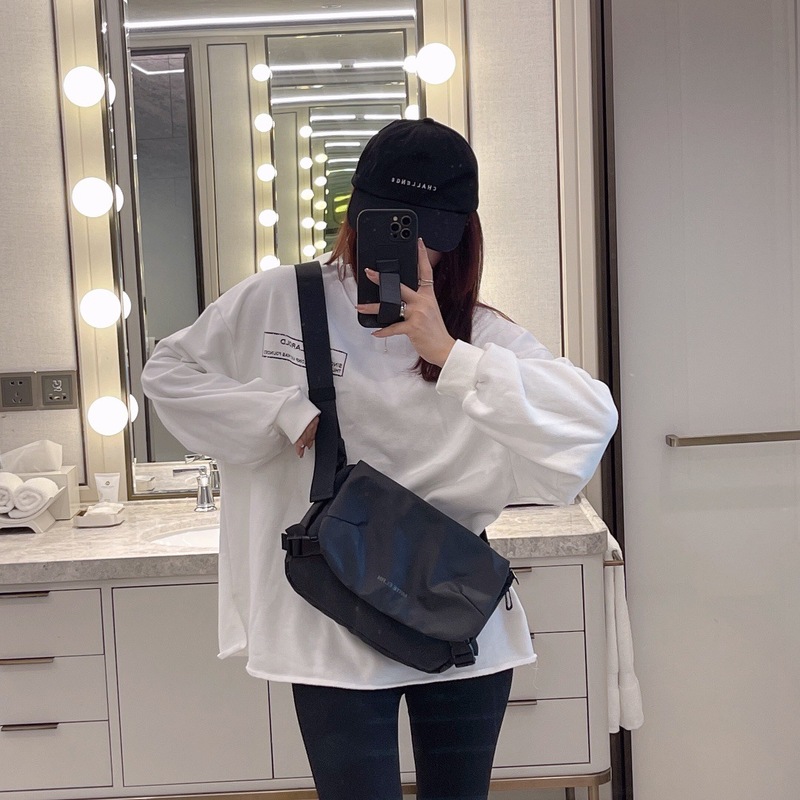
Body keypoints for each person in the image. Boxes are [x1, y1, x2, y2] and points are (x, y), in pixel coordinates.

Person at [141, 118, 618, 800]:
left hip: (454, 615)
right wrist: (274, 411)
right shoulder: (280, 300)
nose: (413, 249)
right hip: (330, 620)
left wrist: (447, 352)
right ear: (357, 215)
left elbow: (591, 419)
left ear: (462, 234)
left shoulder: (479, 332)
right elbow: (169, 373)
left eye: (430, 231)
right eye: (395, 225)